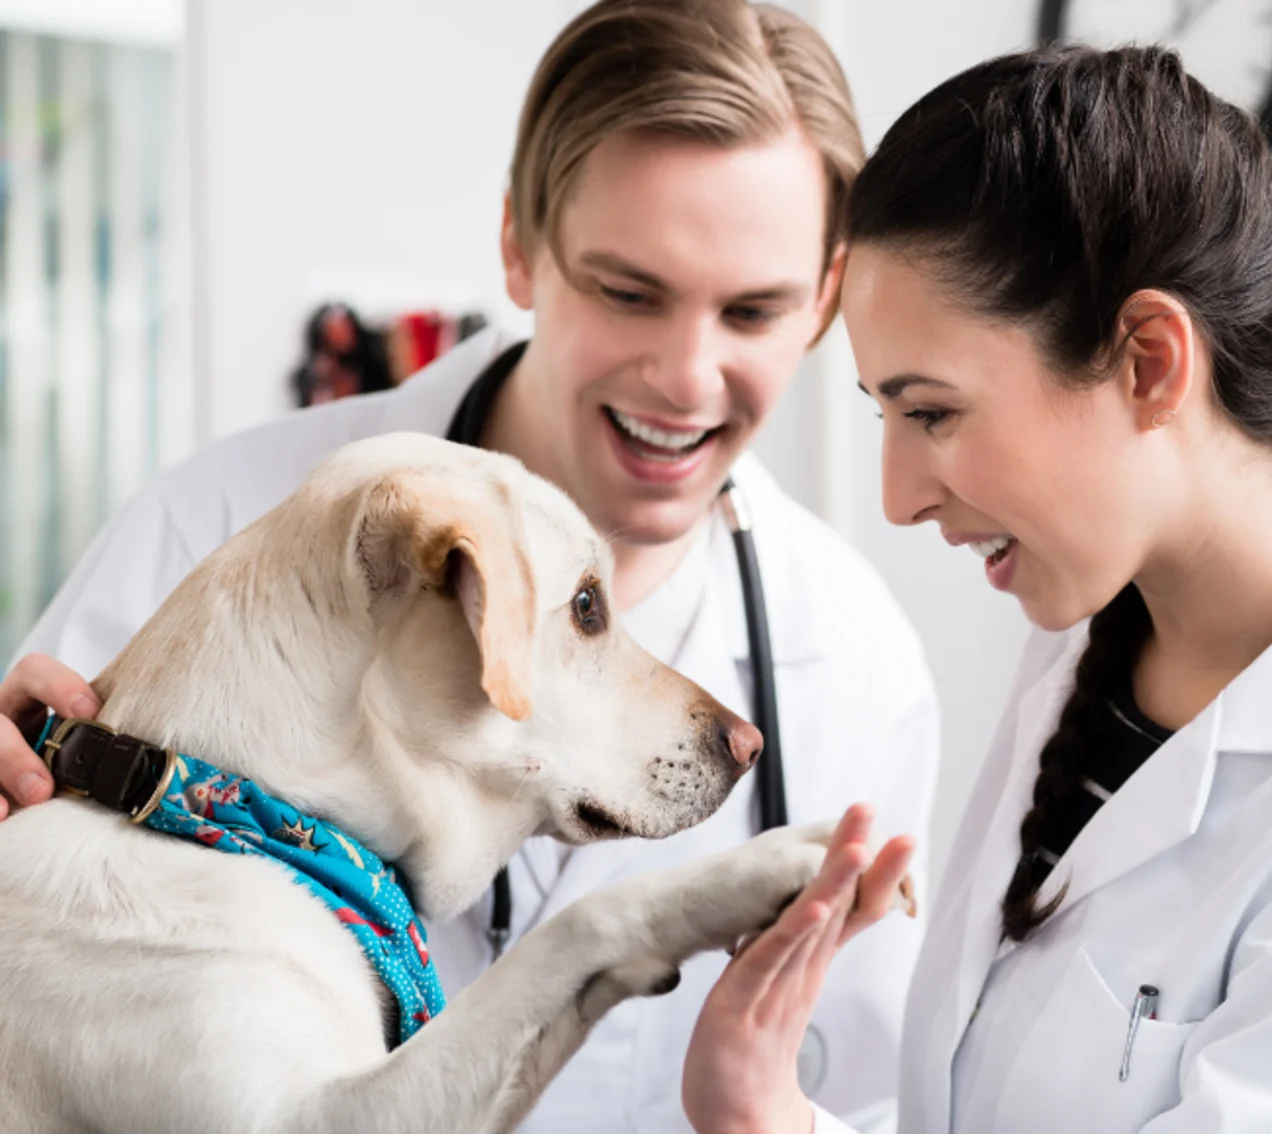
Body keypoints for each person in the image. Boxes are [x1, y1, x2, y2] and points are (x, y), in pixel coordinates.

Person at [0, 3, 938, 1132]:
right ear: (519, 247)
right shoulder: (213, 522)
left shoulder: (859, 661)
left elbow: (880, 1106)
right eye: (628, 291)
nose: (687, 378)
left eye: (753, 310)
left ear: (826, 297)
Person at [678, 46, 1272, 1133]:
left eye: (931, 413)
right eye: (885, 415)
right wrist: (772, 1118)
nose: (897, 498)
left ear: (1152, 360)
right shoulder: (1089, 650)